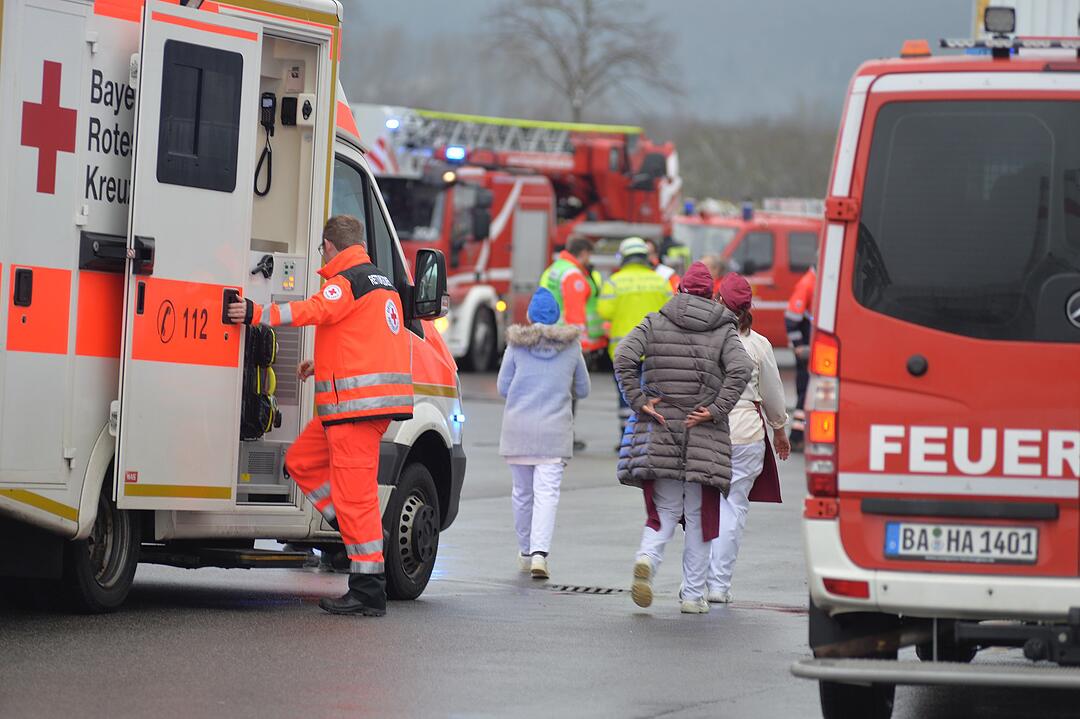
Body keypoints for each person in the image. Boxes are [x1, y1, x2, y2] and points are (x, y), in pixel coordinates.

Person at [228, 215, 411, 617]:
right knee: (301, 463)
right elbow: (368, 342)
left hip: (353, 412)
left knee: (356, 497)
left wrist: (257, 312)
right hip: (354, 408)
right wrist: (323, 362)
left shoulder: (344, 282)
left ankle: (367, 589)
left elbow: (312, 311)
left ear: (329, 246)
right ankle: (358, 533)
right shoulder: (382, 285)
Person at [614, 261, 752, 614]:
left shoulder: (655, 320)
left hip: (661, 428)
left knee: (664, 510)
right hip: (702, 431)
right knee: (700, 518)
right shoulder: (724, 330)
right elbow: (742, 368)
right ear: (711, 294)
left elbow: (623, 356)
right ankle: (692, 596)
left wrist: (640, 400)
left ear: (679, 289)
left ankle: (647, 558)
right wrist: (717, 408)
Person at [707, 272, 791, 603]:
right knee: (734, 507)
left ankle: (695, 584)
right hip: (746, 434)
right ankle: (719, 586)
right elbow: (773, 393)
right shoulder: (758, 344)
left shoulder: (705, 339)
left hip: (708, 430)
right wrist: (779, 430)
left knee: (703, 507)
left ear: (717, 302)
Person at [497, 287, 590, 580]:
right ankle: (540, 554)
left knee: (522, 494)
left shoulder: (516, 346)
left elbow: (502, 387)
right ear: (557, 315)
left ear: (530, 315)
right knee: (547, 495)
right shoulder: (572, 347)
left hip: (518, 430)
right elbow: (583, 389)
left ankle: (525, 552)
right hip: (555, 432)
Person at [597, 237, 673, 443]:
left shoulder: (614, 282)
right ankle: (648, 436)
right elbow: (671, 311)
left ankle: (627, 438)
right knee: (653, 394)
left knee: (626, 394)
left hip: (623, 352)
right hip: (655, 351)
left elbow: (604, 311)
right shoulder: (660, 281)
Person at [539, 238, 606, 354]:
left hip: (552, 330)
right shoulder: (573, 275)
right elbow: (575, 312)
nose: (589, 260)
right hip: (566, 337)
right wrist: (579, 342)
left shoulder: (556, 268)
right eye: (589, 255)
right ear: (584, 253)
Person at [785, 265, 816, 452]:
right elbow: (791, 318)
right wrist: (800, 346)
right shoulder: (808, 283)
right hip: (806, 349)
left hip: (810, 348)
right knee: (805, 390)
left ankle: (798, 435)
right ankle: (796, 437)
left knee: (805, 391)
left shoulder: (813, 281)